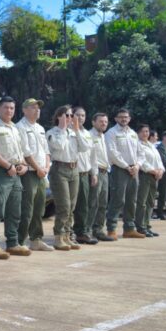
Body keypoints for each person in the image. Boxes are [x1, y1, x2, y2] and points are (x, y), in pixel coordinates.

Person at [0, 96, 30, 258]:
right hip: (1, 172)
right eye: (6, 107)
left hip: (16, 173)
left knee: (14, 210)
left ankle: (12, 243)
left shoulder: (15, 128)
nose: (9, 111)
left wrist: (24, 166)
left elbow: (21, 152)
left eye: (12, 108)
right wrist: (8, 166)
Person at [46, 105, 91, 250]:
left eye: (72, 116)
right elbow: (59, 146)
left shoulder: (73, 133)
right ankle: (59, 236)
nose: (70, 118)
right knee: (63, 206)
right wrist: (64, 129)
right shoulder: (53, 132)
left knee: (71, 206)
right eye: (67, 115)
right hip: (60, 169)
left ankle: (67, 235)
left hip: (74, 169)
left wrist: (77, 130)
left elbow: (85, 147)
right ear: (59, 116)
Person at [16, 98, 53, 251]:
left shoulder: (40, 128)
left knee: (39, 209)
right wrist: (38, 168)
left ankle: (36, 239)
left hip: (41, 173)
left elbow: (46, 151)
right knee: (27, 208)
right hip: (29, 173)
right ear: (24, 110)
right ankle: (19, 241)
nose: (37, 110)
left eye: (38, 108)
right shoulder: (20, 127)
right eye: (33, 107)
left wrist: (46, 168)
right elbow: (26, 152)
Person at [105, 108, 145, 239]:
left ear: (129, 119)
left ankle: (129, 228)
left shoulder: (133, 133)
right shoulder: (112, 133)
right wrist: (127, 166)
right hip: (120, 169)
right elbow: (112, 153)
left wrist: (138, 165)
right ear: (116, 119)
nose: (124, 119)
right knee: (118, 199)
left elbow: (140, 152)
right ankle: (111, 229)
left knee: (131, 200)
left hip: (134, 170)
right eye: (121, 117)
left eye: (126, 117)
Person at [72, 107, 97, 245]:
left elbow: (93, 156)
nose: (80, 118)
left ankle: (81, 232)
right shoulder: (69, 131)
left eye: (83, 115)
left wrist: (94, 173)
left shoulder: (87, 133)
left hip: (85, 173)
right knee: (71, 205)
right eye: (77, 115)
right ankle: (70, 232)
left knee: (84, 205)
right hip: (73, 172)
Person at [88, 113, 114, 242]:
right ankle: (87, 230)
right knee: (93, 203)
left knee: (103, 203)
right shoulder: (89, 135)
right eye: (101, 121)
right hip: (96, 171)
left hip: (105, 172)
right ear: (93, 122)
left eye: (105, 121)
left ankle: (98, 229)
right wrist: (94, 173)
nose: (104, 124)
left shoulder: (104, 136)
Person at [136, 127, 164, 236]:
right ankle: (140, 226)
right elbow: (141, 161)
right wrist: (153, 171)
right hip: (145, 175)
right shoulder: (138, 145)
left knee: (151, 202)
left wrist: (161, 170)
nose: (145, 133)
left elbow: (159, 161)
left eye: (147, 131)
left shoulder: (151, 145)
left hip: (155, 176)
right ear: (138, 133)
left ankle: (147, 225)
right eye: (142, 131)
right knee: (142, 202)